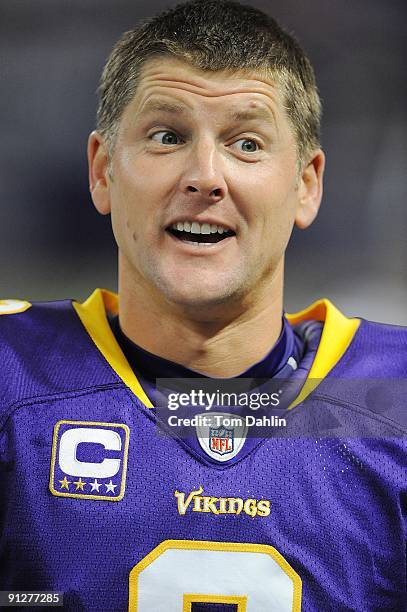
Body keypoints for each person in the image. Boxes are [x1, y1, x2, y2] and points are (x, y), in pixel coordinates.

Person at [0, 0, 405, 610]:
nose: (205, 176)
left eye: (246, 143)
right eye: (167, 136)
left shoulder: (393, 399)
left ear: (306, 184)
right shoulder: (11, 375)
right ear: (103, 171)